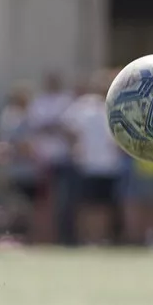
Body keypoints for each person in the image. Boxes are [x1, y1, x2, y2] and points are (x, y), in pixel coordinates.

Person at [60, 72, 127, 245]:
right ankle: (86, 238)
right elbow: (66, 125)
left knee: (105, 205)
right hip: (88, 164)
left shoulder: (119, 106)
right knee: (87, 205)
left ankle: (102, 237)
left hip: (110, 165)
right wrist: (76, 143)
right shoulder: (85, 104)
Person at [26, 71, 75, 244]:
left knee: (65, 201)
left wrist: (55, 128)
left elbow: (71, 129)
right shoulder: (38, 102)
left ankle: (63, 238)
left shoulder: (67, 101)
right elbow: (34, 128)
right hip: (43, 161)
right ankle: (44, 239)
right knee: (43, 203)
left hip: (64, 160)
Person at [0, 82, 43, 241]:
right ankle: (17, 238)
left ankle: (21, 238)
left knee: (23, 207)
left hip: (20, 171)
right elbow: (22, 145)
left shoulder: (12, 117)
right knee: (20, 208)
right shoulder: (15, 119)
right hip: (20, 171)